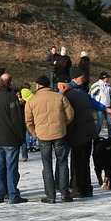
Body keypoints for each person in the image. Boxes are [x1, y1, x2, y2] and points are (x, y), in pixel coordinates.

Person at [25, 74, 73, 203]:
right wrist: (62, 125)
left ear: (39, 86)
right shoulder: (59, 98)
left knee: (47, 165)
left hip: (43, 136)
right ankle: (64, 193)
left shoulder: (32, 101)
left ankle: (50, 196)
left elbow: (28, 121)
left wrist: (35, 132)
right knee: (62, 163)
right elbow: (70, 114)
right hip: (59, 134)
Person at [61, 73, 109, 199]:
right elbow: (92, 104)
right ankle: (87, 188)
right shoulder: (82, 94)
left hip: (78, 133)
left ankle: (78, 189)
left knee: (77, 162)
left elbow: (69, 118)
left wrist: (67, 135)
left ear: (63, 87)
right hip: (89, 132)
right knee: (85, 162)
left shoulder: (67, 97)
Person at [0, 73, 27, 204]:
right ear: (10, 83)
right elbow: (17, 119)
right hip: (10, 138)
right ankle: (13, 195)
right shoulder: (11, 97)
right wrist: (21, 135)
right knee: (11, 168)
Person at [90, 72, 111, 138]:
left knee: (110, 122)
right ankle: (95, 136)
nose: (108, 79)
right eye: (107, 77)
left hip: (107, 107)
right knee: (99, 123)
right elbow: (90, 94)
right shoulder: (96, 85)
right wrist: (94, 103)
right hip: (99, 107)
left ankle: (110, 137)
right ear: (103, 78)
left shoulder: (109, 86)